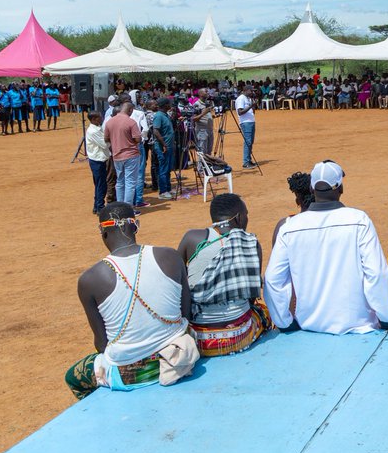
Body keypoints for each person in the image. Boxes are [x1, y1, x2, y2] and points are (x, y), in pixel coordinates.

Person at [65, 202, 195, 399]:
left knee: (73, 377)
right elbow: (187, 313)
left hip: (130, 375)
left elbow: (101, 345)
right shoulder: (170, 256)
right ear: (136, 226)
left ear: (102, 231)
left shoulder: (89, 279)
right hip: (179, 357)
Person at [264, 161, 388, 333]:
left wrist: (285, 323)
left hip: (309, 328)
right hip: (360, 328)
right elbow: (376, 273)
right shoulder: (359, 221)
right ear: (340, 189)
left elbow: (272, 280)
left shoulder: (289, 228)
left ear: (312, 190)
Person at [177, 194, 270, 357]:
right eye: (246, 214)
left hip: (199, 339)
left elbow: (177, 282)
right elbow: (250, 297)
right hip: (239, 335)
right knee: (264, 312)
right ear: (239, 218)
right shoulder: (251, 243)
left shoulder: (192, 238)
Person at [105, 101, 142, 206]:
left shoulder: (110, 122)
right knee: (130, 182)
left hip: (117, 155)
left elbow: (106, 139)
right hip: (131, 155)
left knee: (120, 181)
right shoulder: (131, 122)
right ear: (130, 110)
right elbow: (138, 139)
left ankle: (120, 207)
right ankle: (128, 207)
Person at [85, 111, 110, 215]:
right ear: (94, 119)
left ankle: (97, 206)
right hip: (97, 161)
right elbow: (104, 144)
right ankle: (100, 206)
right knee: (101, 184)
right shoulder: (93, 131)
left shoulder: (97, 128)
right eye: (100, 117)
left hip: (99, 159)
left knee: (99, 184)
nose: (102, 118)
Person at [151, 97, 176, 199]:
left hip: (169, 146)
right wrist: (164, 144)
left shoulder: (165, 115)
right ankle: (163, 191)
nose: (170, 105)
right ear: (165, 105)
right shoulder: (158, 116)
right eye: (169, 104)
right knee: (163, 169)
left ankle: (168, 188)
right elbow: (155, 131)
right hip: (163, 147)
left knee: (168, 168)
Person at [234, 86, 256, 168]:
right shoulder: (241, 98)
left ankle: (249, 160)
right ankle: (246, 162)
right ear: (245, 90)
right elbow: (240, 112)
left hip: (251, 121)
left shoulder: (248, 98)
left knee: (251, 141)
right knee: (248, 142)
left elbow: (252, 112)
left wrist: (253, 106)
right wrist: (251, 106)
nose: (252, 92)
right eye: (251, 91)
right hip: (245, 123)